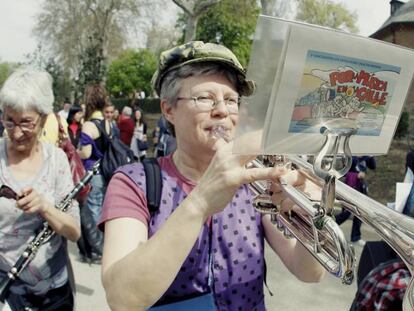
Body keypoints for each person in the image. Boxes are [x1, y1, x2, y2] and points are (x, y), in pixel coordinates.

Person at [99, 41, 325, 310]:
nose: (222, 111)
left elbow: (309, 272)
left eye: (231, 100)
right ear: (169, 110)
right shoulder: (133, 181)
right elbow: (122, 299)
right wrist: (200, 202)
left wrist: (313, 219)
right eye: (205, 98)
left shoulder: (256, 181)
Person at [0, 68, 80, 310]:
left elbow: (74, 231)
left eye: (26, 122)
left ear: (44, 119)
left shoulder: (56, 160)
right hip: (6, 291)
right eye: (8, 120)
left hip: (53, 291)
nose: (15, 132)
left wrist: (45, 207)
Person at [78, 84, 111, 263]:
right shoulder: (108, 123)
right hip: (106, 173)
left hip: (93, 174)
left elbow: (87, 153)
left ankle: (99, 250)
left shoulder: (89, 125)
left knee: (93, 212)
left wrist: (76, 152)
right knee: (101, 210)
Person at [335, 156, 376, 246]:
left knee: (360, 213)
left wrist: (372, 156)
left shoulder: (366, 157)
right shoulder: (351, 158)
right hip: (350, 189)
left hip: (361, 188)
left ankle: (355, 237)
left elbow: (373, 166)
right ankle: (330, 225)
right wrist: (355, 175)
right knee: (346, 213)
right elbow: (343, 172)